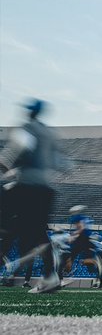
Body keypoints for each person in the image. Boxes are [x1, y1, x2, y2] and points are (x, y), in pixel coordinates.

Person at [0, 99, 67, 293]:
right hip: (45, 190)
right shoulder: (50, 133)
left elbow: (14, 153)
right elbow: (61, 163)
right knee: (39, 233)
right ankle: (50, 276)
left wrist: (5, 166)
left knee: (6, 228)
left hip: (25, 187)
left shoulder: (27, 128)